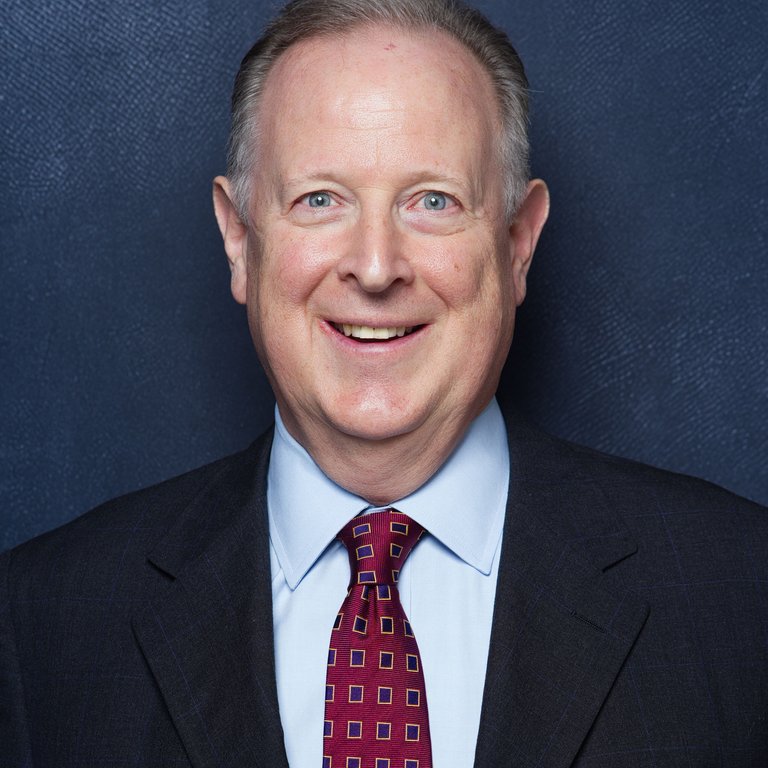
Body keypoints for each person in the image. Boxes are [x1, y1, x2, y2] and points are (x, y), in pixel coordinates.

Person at [1, 0, 766, 765]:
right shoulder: (43, 622)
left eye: (432, 200)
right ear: (239, 240)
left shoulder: (738, 592)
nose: (374, 267)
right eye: (319, 200)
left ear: (518, 244)